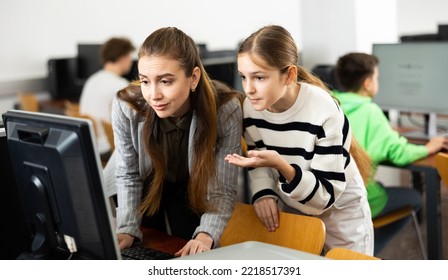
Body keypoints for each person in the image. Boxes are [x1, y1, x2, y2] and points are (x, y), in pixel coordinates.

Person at [225, 25, 374, 255]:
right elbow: (258, 160)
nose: (249, 89)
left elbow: (324, 196)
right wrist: (263, 192)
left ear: (289, 75)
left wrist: (280, 165)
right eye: (244, 77)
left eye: (259, 77)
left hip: (339, 209)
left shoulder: (323, 109)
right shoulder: (251, 108)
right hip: (293, 202)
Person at [112, 27, 242, 256]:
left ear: (193, 78)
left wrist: (206, 234)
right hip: (144, 184)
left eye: (165, 81)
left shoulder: (225, 109)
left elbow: (223, 188)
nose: (153, 95)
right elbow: (128, 174)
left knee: (192, 247)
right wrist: (126, 227)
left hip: (192, 185)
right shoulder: (127, 106)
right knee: (146, 247)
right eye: (145, 81)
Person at [334, 52, 448, 253]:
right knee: (414, 197)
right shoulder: (370, 112)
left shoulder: (333, 103)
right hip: (362, 198)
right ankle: (370, 253)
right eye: (377, 77)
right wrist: (429, 147)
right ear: (368, 83)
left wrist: (385, 130)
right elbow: (399, 153)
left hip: (333, 196)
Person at [79, 37, 135, 160]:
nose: (131, 62)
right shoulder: (120, 85)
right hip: (106, 148)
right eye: (130, 57)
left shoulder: (92, 79)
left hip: (88, 144)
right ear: (122, 58)